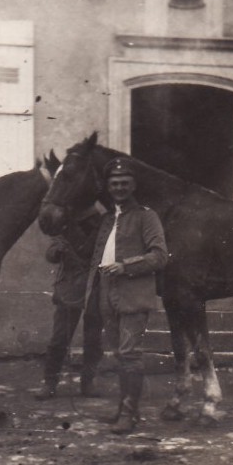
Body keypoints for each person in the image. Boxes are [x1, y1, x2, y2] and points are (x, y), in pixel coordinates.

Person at [85, 157, 168, 434]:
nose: (119, 188)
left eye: (124, 183)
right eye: (114, 184)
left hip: (133, 293)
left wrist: (125, 266)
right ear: (108, 187)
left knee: (130, 354)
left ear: (133, 186)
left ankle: (129, 414)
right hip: (106, 293)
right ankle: (125, 410)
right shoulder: (108, 219)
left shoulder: (147, 216)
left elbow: (159, 256)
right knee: (119, 355)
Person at [35, 205, 105, 401]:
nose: (88, 221)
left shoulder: (102, 224)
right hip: (70, 285)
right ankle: (49, 382)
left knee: (93, 338)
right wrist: (57, 252)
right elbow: (51, 254)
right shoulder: (64, 223)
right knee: (60, 338)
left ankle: (88, 382)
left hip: (95, 285)